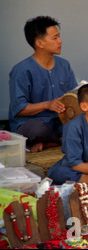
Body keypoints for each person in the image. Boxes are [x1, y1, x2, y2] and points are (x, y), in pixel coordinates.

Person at [8, 16, 78, 152]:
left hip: (59, 121)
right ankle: (62, 140)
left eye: (59, 37)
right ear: (40, 43)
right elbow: (19, 108)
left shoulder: (64, 65)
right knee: (38, 130)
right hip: (32, 124)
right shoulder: (21, 70)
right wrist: (48, 104)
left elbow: (73, 95)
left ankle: (51, 143)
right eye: (55, 38)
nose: (60, 41)